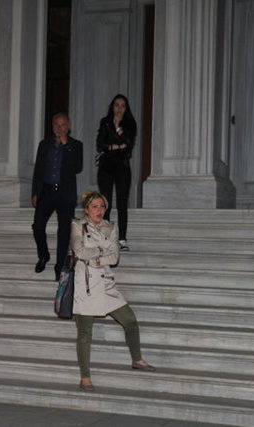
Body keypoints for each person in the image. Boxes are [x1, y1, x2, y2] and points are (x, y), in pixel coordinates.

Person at [70, 190, 154, 392]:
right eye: (94, 206)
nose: (99, 210)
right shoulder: (77, 225)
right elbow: (79, 251)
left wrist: (95, 258)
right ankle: (85, 377)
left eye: (102, 206)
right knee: (85, 333)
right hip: (85, 285)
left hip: (106, 283)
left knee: (130, 320)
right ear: (87, 210)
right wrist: (101, 251)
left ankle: (137, 359)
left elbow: (115, 257)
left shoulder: (111, 227)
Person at [32, 112, 83, 281]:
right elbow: (38, 169)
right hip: (46, 191)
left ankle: (60, 267)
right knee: (38, 226)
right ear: (53, 126)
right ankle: (43, 255)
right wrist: (35, 192)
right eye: (56, 124)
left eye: (63, 125)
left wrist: (66, 145)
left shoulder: (76, 145)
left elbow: (77, 167)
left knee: (64, 232)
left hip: (65, 192)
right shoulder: (44, 144)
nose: (59, 128)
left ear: (69, 126)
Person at [95, 94, 137, 251]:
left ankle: (122, 239)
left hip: (122, 166)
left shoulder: (130, 124)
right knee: (105, 203)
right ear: (112, 107)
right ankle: (105, 238)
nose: (119, 108)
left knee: (122, 202)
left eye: (122, 105)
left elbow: (129, 144)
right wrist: (118, 146)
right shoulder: (105, 122)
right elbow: (100, 144)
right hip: (106, 166)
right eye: (116, 105)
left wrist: (119, 129)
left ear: (126, 108)